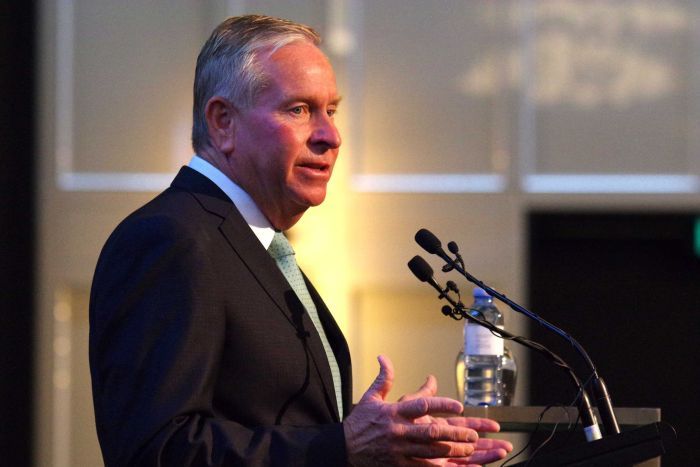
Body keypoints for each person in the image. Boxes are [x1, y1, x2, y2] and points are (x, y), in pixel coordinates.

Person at [89, 14, 513, 466]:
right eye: (299, 110)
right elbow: (156, 450)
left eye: (331, 110)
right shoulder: (171, 239)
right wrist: (344, 445)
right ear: (223, 122)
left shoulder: (254, 242)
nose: (331, 136)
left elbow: (272, 422)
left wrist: (389, 446)